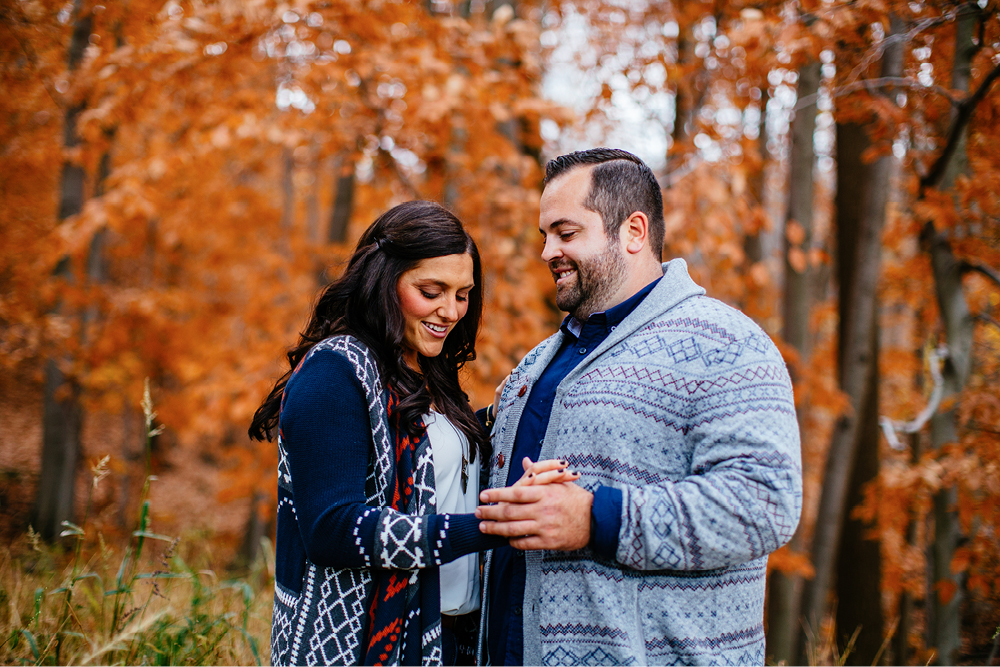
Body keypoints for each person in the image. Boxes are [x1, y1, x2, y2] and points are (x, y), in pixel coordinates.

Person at [475, 148, 803, 665]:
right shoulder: (536, 364)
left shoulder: (726, 343)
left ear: (633, 231)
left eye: (565, 233)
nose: (547, 252)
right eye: (545, 236)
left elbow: (764, 503)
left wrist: (596, 517)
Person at [249, 201, 509, 666]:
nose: (450, 311)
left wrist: (512, 409)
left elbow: (435, 453)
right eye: (431, 291)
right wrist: (489, 528)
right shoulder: (335, 371)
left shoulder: (427, 374)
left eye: (463, 294)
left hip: (447, 639)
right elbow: (332, 529)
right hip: (355, 644)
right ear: (385, 281)